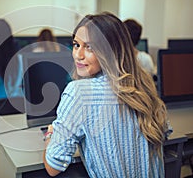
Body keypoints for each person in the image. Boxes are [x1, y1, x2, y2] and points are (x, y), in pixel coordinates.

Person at [43, 12, 169, 177]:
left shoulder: (78, 93)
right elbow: (165, 132)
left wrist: (50, 134)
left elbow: (53, 166)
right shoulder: (144, 85)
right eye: (76, 45)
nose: (78, 55)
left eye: (89, 47)